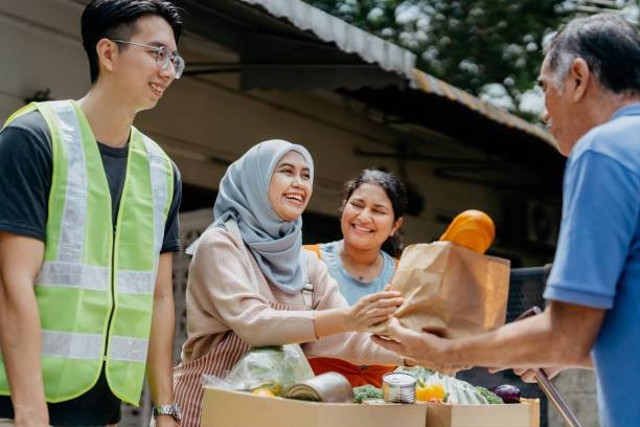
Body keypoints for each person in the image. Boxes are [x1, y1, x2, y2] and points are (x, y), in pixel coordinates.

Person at [372, 12, 640, 427]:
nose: (545, 112)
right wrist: (546, 348)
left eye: (544, 88)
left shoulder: (605, 150)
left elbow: (566, 332)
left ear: (578, 77)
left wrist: (444, 353)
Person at [0, 1, 185, 425]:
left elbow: (159, 297)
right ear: (108, 53)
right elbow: (12, 281)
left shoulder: (162, 171)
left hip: (102, 410)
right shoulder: (34, 137)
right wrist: (31, 412)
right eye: (157, 53)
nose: (168, 71)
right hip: (18, 406)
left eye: (174, 59)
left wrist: (166, 409)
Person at [173, 140, 404, 426]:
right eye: (287, 171)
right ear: (258, 179)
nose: (299, 183)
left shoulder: (307, 264)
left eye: (306, 176)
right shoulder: (221, 244)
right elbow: (255, 324)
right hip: (204, 410)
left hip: (270, 416)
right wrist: (349, 317)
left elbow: (346, 339)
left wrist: (414, 352)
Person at [305, 169, 406, 387]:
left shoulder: (406, 275)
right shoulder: (307, 261)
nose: (364, 217)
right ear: (343, 208)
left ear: (395, 225)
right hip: (310, 397)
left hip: (382, 408)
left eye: (378, 210)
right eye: (357, 205)